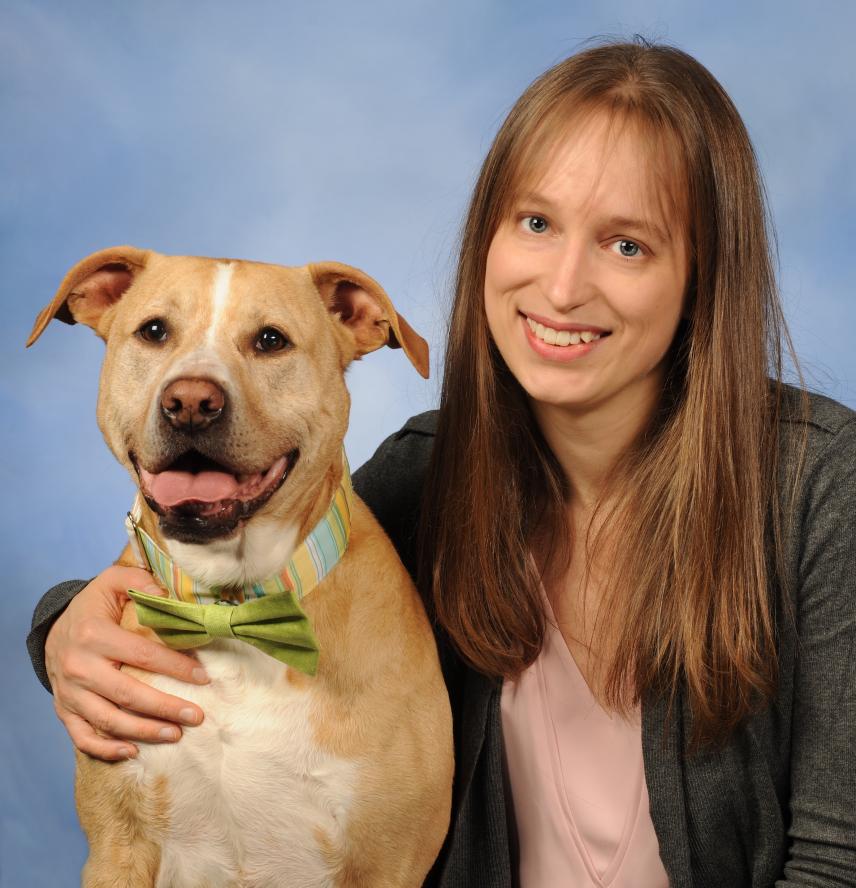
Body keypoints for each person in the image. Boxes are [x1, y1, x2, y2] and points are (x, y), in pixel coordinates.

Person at [28, 39, 856, 887]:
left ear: (704, 276)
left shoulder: (821, 486)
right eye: (536, 223)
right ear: (488, 237)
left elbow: (838, 856)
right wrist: (59, 628)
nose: (564, 286)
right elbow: (258, 560)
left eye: (628, 245)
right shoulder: (424, 478)